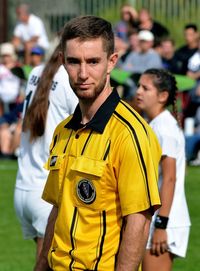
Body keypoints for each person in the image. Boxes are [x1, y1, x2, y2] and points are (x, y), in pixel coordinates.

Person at [34, 15, 162, 271]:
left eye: (93, 62)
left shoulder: (131, 133)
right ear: (62, 62)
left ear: (111, 62)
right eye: (73, 62)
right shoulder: (63, 131)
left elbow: (138, 222)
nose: (83, 74)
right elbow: (58, 210)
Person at [14, 44, 78, 263]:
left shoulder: (35, 72)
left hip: (23, 188)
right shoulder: (71, 81)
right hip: (46, 191)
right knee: (48, 263)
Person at [135, 69, 191, 271]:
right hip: (159, 216)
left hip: (165, 220)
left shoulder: (164, 128)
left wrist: (161, 225)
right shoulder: (156, 124)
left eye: (145, 88)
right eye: (139, 86)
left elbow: (169, 179)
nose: (138, 91)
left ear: (163, 96)